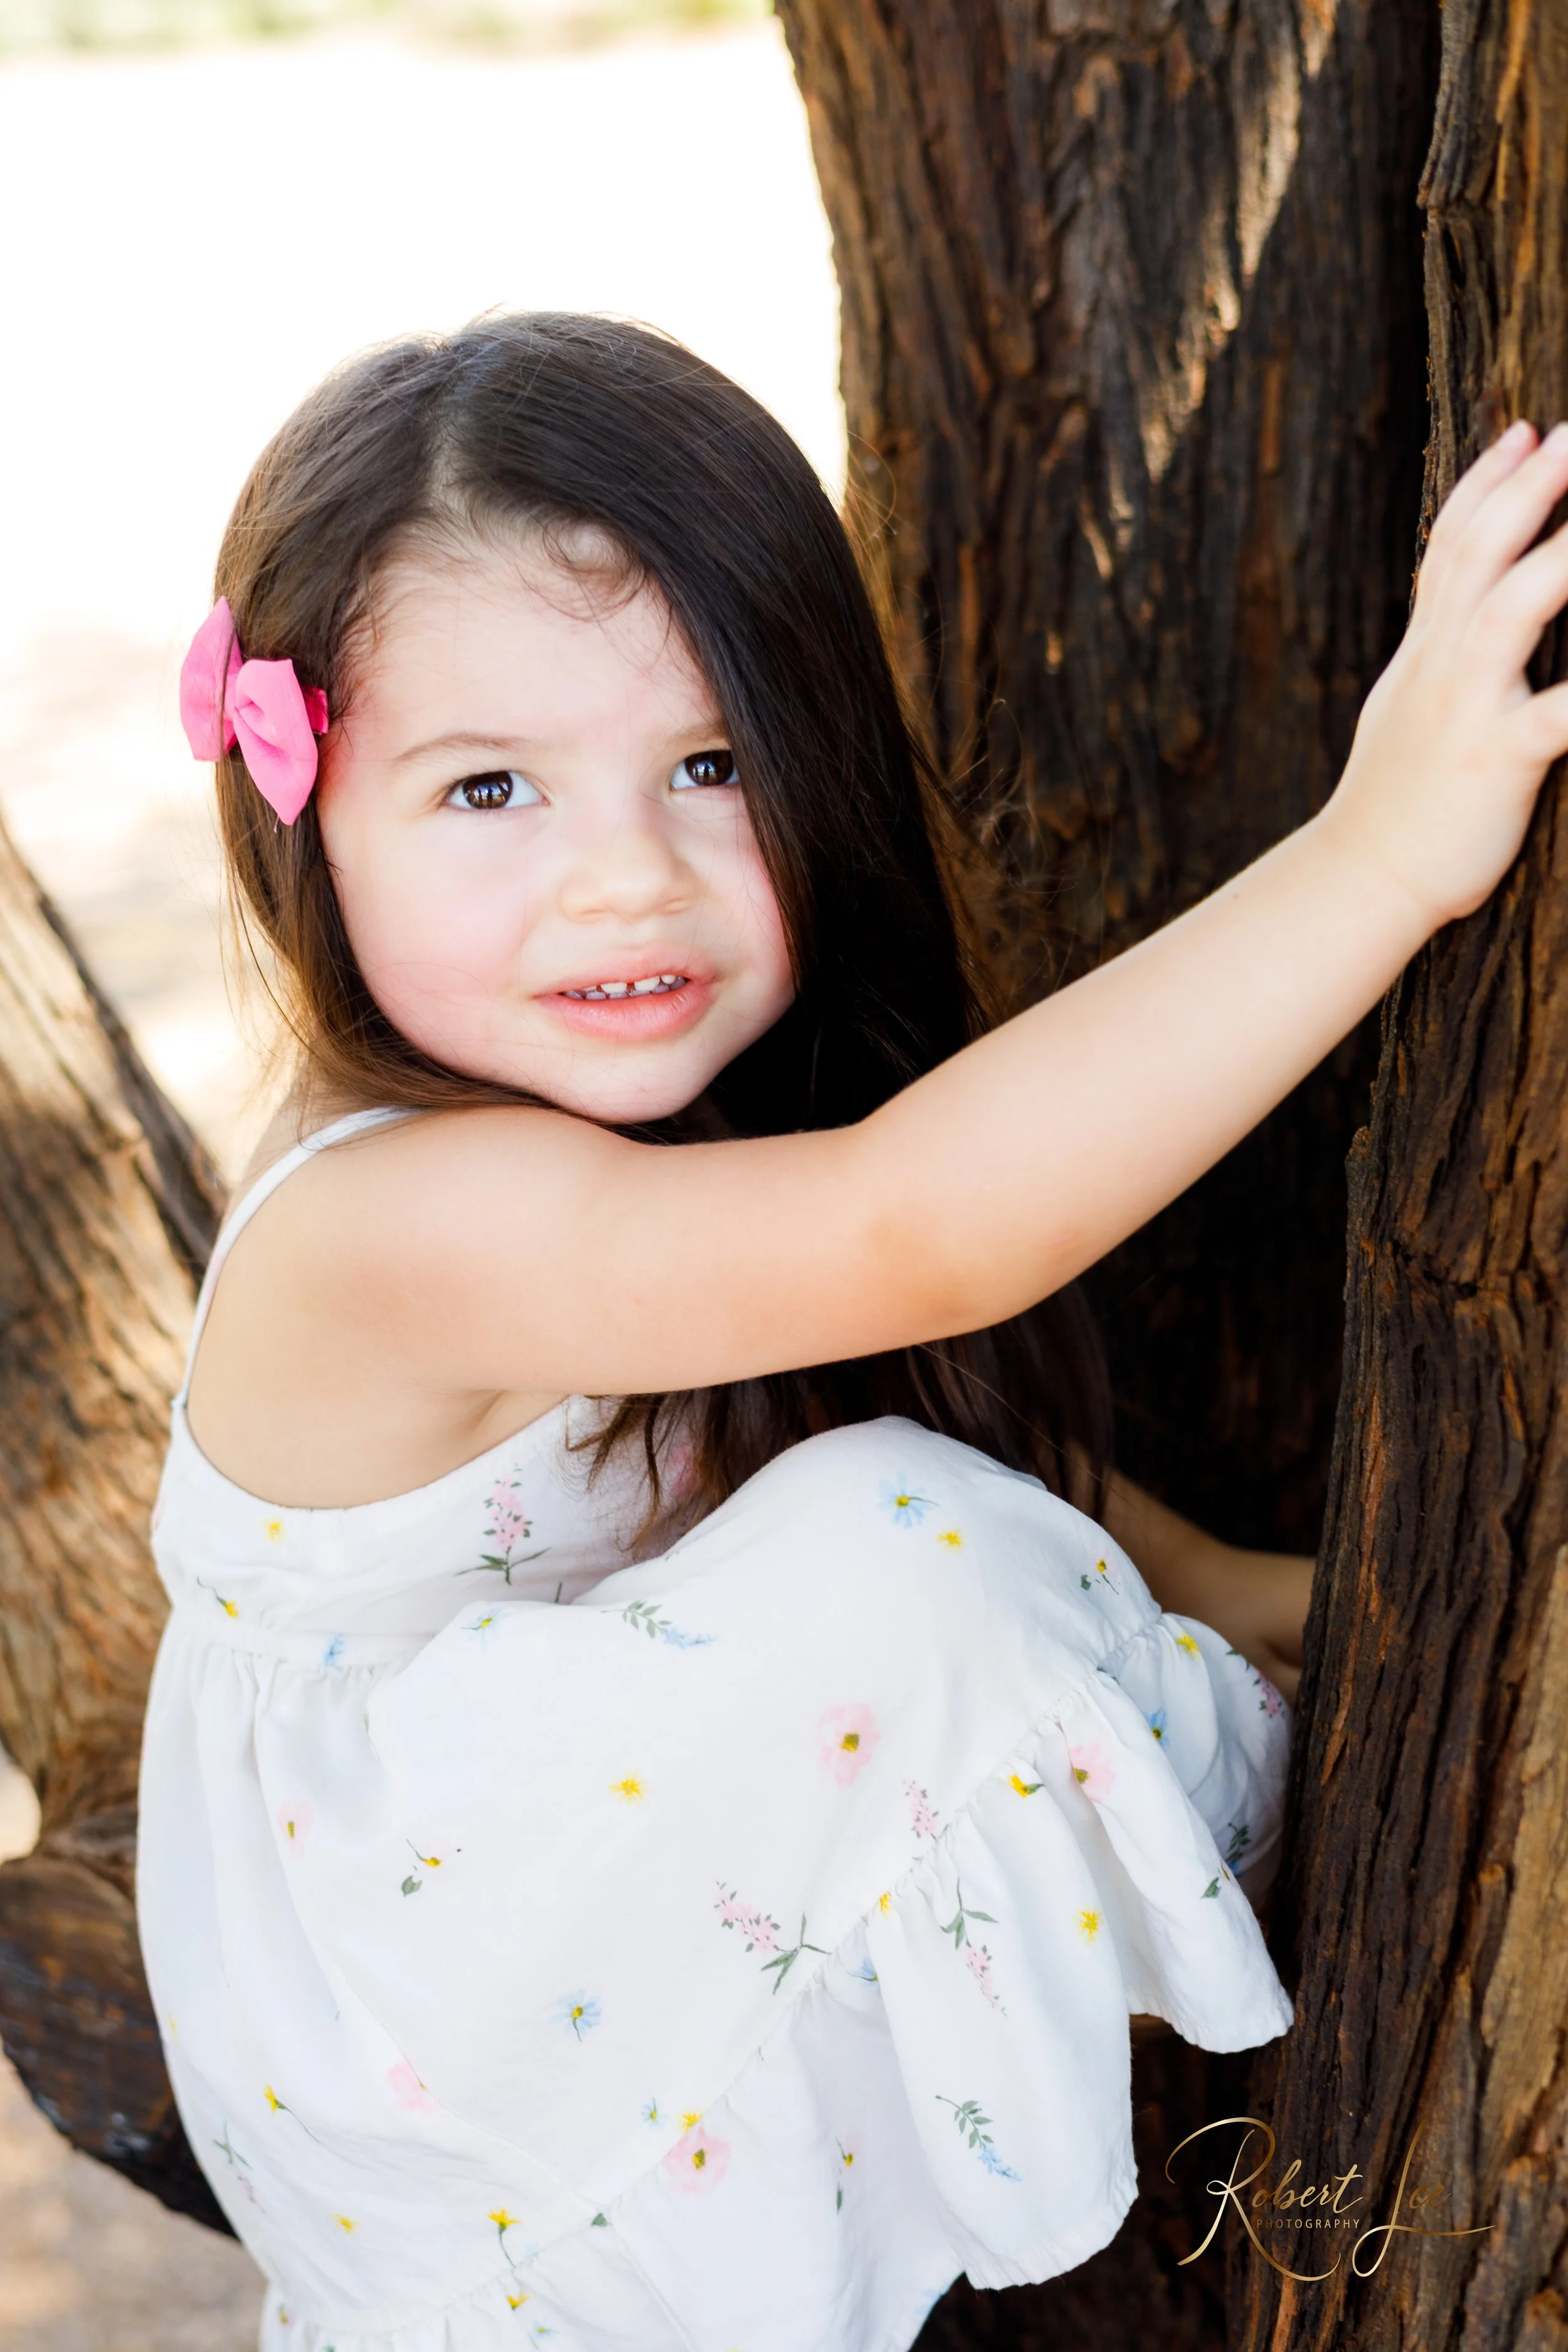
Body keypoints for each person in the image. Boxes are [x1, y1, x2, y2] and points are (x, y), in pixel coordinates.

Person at [135, 312, 1568, 2352]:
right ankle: (1238, 1817)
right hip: (437, 2063)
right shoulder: (397, 1217)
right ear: (308, 819)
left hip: (525, 1933)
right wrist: (1382, 852)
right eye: (487, 789)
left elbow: (821, 1412)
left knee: (899, 1505)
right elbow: (922, 1233)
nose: (622, 876)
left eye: (709, 764)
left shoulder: (603, 1115)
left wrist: (1270, 1587)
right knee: (900, 1553)